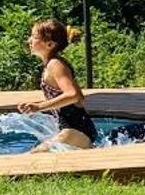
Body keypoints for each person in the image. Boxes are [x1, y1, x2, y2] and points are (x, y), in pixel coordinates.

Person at [20, 18, 98, 150]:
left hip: (75, 131)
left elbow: (74, 95)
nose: (30, 40)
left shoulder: (55, 64)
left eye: (34, 37)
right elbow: (73, 96)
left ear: (50, 44)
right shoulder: (50, 64)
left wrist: (39, 107)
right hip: (72, 129)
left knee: (36, 155)